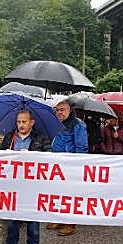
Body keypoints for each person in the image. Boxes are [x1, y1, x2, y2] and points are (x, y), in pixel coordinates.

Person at [0, 109, 52, 244]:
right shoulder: (10, 137)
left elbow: (50, 157)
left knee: (32, 217)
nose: (21, 125)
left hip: (33, 185)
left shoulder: (41, 137)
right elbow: (0, 156)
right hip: (13, 183)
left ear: (32, 122)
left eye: (24, 122)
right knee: (12, 216)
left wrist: (32, 156)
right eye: (18, 122)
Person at [49, 99, 88, 236]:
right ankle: (60, 219)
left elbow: (82, 147)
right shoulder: (57, 123)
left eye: (62, 110)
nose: (59, 112)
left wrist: (77, 166)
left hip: (70, 166)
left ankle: (70, 224)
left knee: (70, 195)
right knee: (59, 193)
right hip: (57, 165)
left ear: (70, 110)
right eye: (57, 110)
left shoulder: (78, 125)